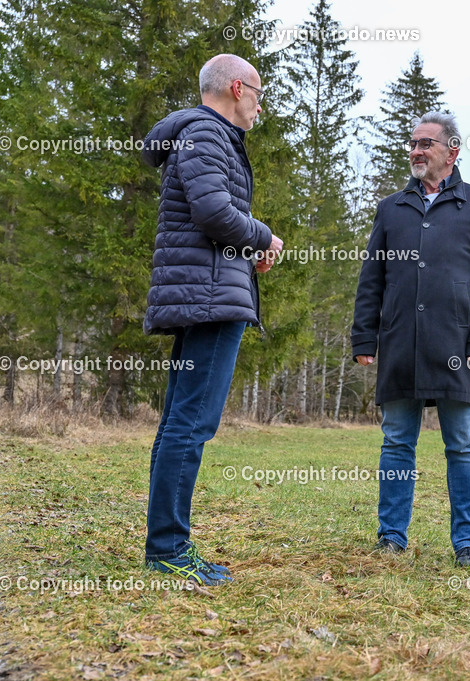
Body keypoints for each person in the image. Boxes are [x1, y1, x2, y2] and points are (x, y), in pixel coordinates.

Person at [140, 54, 283, 585]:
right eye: (259, 95)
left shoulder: (201, 135)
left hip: (205, 290)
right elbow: (214, 212)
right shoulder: (206, 133)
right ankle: (170, 549)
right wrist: (264, 237)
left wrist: (249, 250)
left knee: (180, 420)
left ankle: (165, 545)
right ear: (237, 88)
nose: (260, 106)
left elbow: (211, 217)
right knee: (191, 422)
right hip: (209, 298)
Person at [351, 111, 470, 568]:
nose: (416, 151)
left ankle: (468, 543)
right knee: (397, 441)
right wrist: (364, 336)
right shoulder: (391, 208)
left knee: (463, 443)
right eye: (413, 143)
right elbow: (371, 279)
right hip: (400, 341)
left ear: (452, 151)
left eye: (426, 144)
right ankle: (391, 537)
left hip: (458, 347)